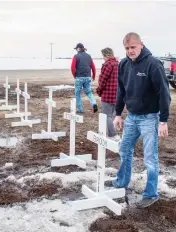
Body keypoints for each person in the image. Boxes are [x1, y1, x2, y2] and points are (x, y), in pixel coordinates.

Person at [109, 32, 171, 208]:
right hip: (132, 117)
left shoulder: (153, 64)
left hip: (150, 118)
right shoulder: (123, 64)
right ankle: (122, 182)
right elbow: (121, 90)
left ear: (141, 45)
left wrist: (163, 121)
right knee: (124, 149)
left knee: (150, 158)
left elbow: (164, 94)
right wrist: (119, 114)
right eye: (127, 48)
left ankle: (151, 193)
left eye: (133, 47)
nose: (130, 51)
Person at [97, 47, 120, 141]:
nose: (103, 58)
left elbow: (102, 80)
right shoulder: (118, 64)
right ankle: (110, 134)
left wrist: (99, 90)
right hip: (117, 94)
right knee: (111, 115)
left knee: (107, 116)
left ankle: (113, 135)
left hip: (108, 94)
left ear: (106, 55)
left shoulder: (107, 64)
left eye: (103, 56)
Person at [71, 43, 98, 113]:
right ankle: (94, 103)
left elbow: (72, 68)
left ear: (78, 48)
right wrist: (94, 76)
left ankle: (80, 109)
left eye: (76, 48)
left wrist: (75, 76)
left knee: (78, 93)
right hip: (88, 77)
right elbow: (93, 67)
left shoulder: (76, 56)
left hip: (79, 77)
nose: (76, 50)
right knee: (88, 92)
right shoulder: (89, 56)